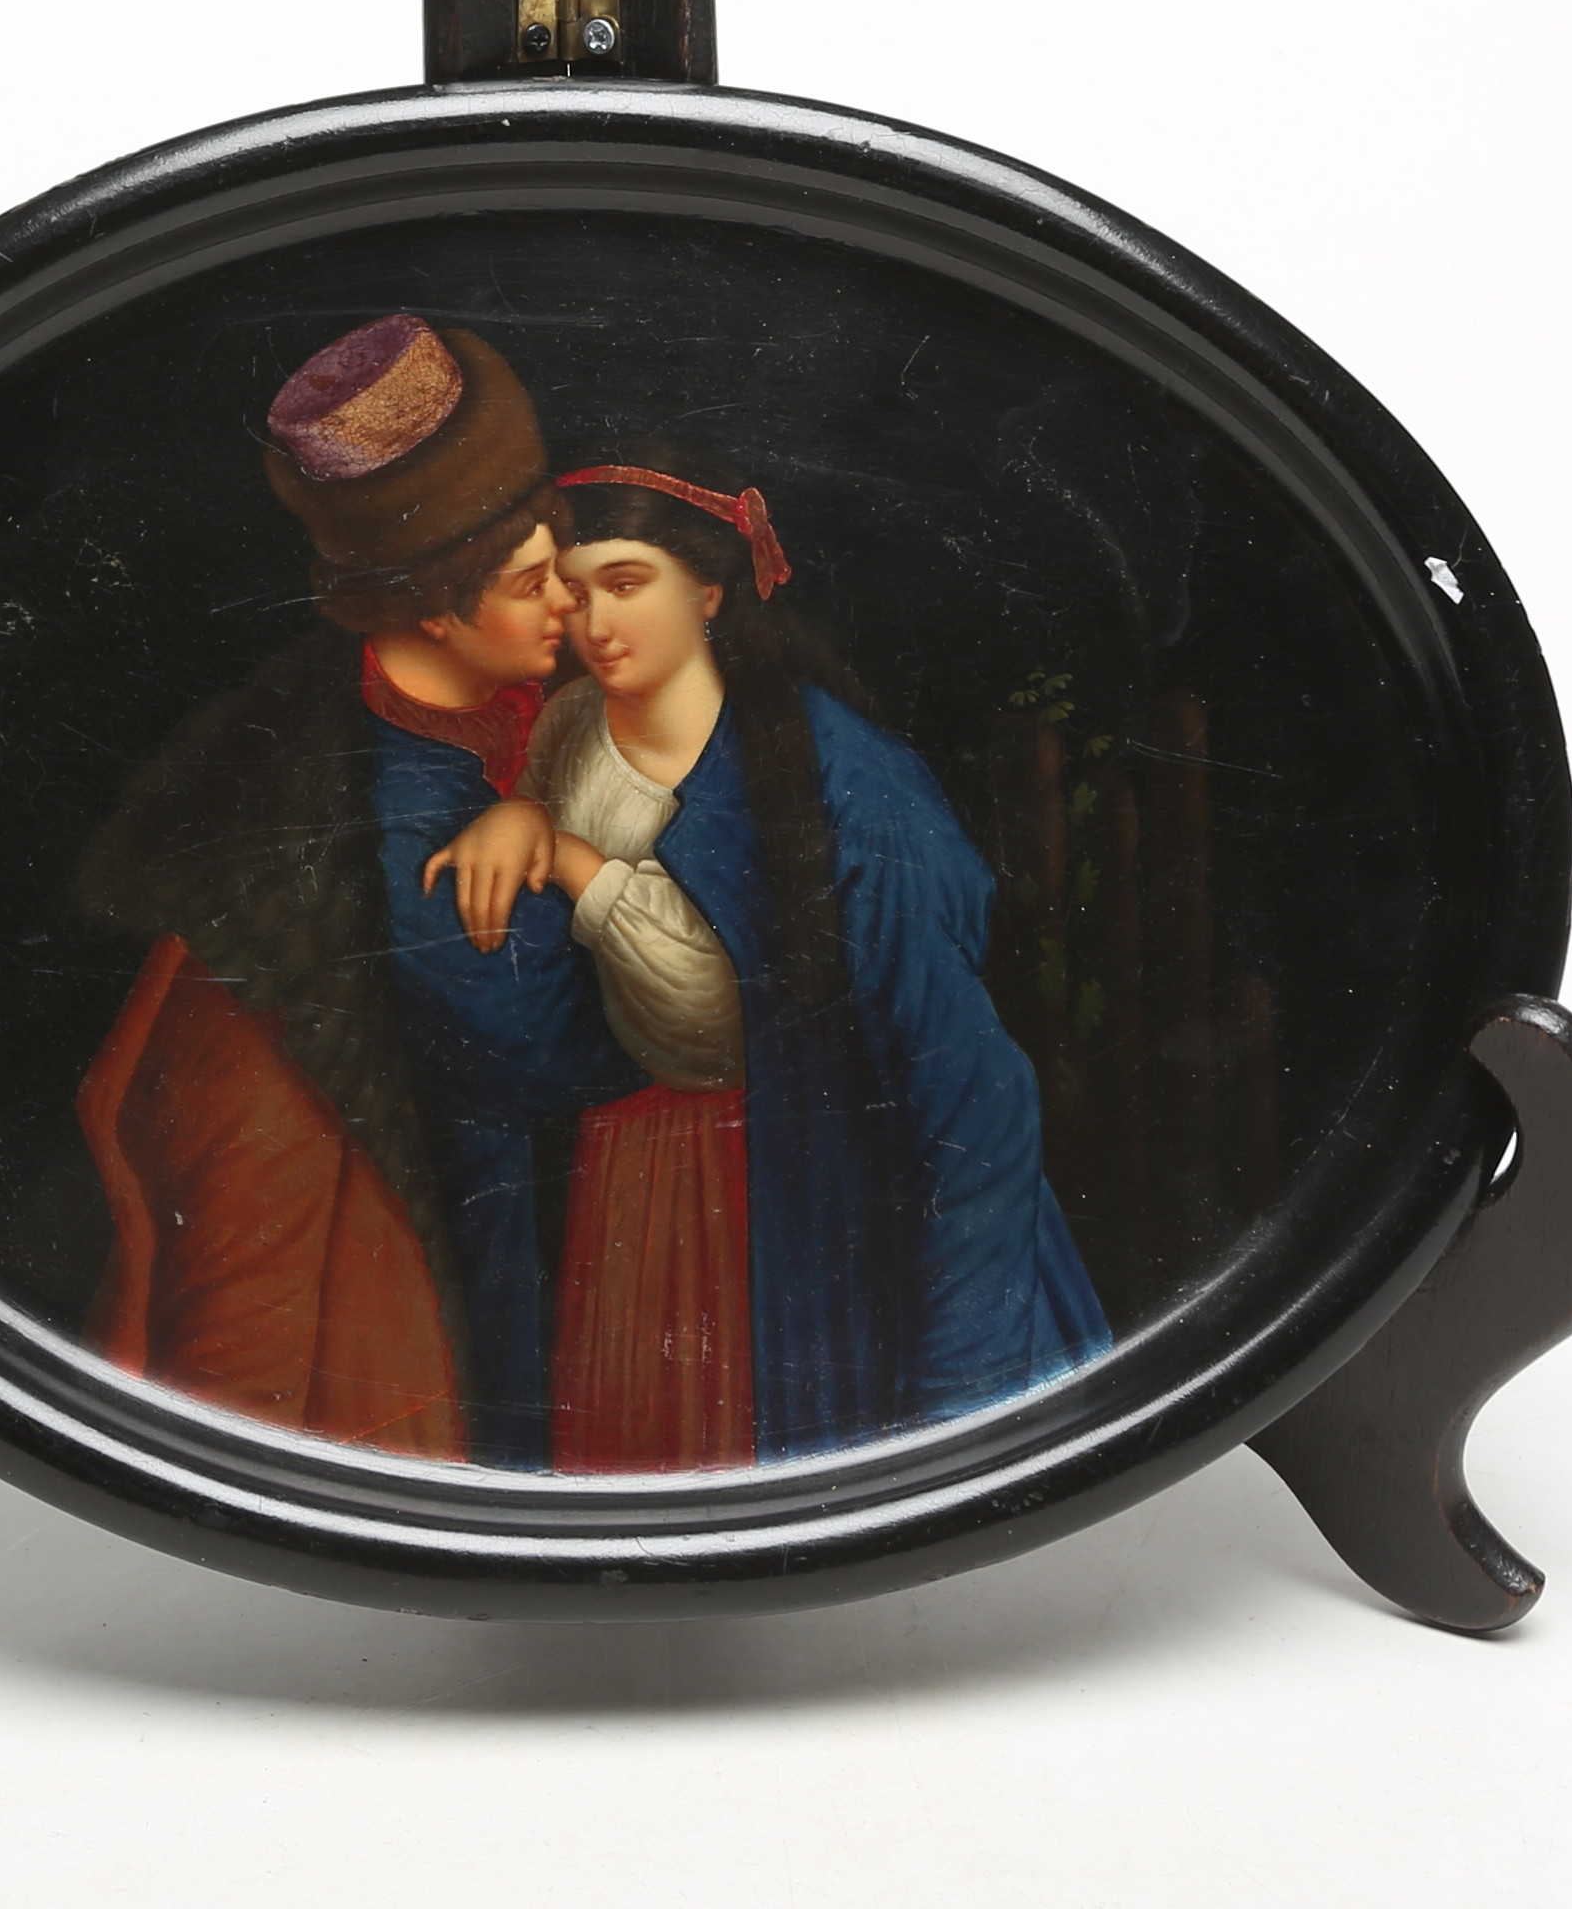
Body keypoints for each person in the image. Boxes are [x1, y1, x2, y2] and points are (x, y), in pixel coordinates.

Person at [425, 457, 1113, 1467]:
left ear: (708, 592)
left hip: (795, 1190)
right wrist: (518, 816)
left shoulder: (840, 775)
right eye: (573, 592)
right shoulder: (569, 729)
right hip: (626, 1179)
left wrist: (570, 860)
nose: (594, 624)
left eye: (626, 583)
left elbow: (959, 1090)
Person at [75, 317, 642, 1467]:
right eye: (531, 584)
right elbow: (544, 1050)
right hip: (476, 1248)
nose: (569, 607)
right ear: (435, 603)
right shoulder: (406, 814)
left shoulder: (513, 710)